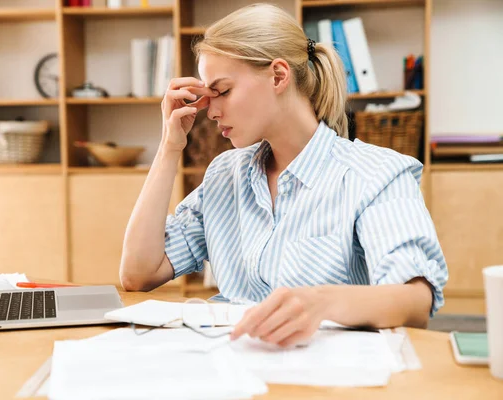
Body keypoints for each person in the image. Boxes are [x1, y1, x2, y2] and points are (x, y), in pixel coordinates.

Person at [120, 3, 448, 347]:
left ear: (278, 76)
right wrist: (170, 146)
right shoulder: (225, 175)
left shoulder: (374, 175)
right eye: (207, 95)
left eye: (224, 91)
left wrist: (321, 303)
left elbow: (416, 302)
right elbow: (139, 273)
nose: (212, 111)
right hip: (232, 369)